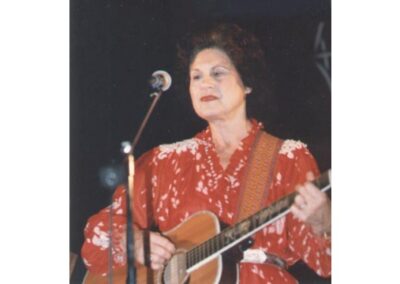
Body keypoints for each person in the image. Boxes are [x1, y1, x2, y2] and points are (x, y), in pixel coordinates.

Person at [81, 23, 331, 283]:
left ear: (247, 83)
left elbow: (326, 263)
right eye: (196, 77)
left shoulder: (287, 157)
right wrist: (133, 242)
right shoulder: (164, 161)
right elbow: (96, 237)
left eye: (218, 73)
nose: (205, 84)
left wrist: (325, 223)